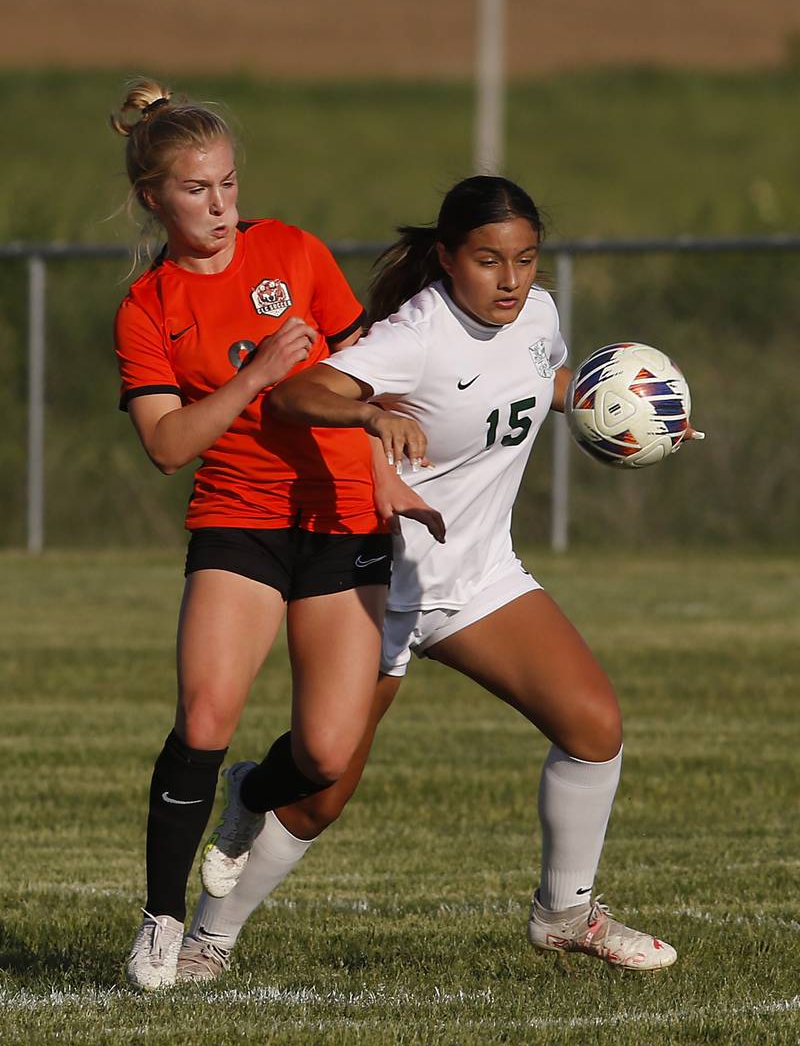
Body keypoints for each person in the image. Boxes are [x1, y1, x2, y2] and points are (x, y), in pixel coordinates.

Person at [179, 175, 682, 981]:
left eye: (525, 260)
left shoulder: (539, 317)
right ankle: (209, 939)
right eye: (489, 261)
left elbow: (535, 385)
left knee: (593, 726)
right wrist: (373, 412)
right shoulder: (414, 335)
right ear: (448, 258)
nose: (511, 280)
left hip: (479, 576)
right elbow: (298, 395)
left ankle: (564, 914)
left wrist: (627, 412)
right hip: (379, 583)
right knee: (320, 792)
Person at [111, 77, 442, 991]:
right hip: (238, 522)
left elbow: (356, 381)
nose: (220, 206)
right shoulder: (148, 308)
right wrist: (253, 375)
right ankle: (163, 922)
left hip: (339, 520)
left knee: (328, 755)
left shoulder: (293, 251)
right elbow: (169, 444)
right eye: (195, 190)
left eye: (227, 185)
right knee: (204, 716)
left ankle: (251, 795)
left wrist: (386, 477)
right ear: (153, 198)